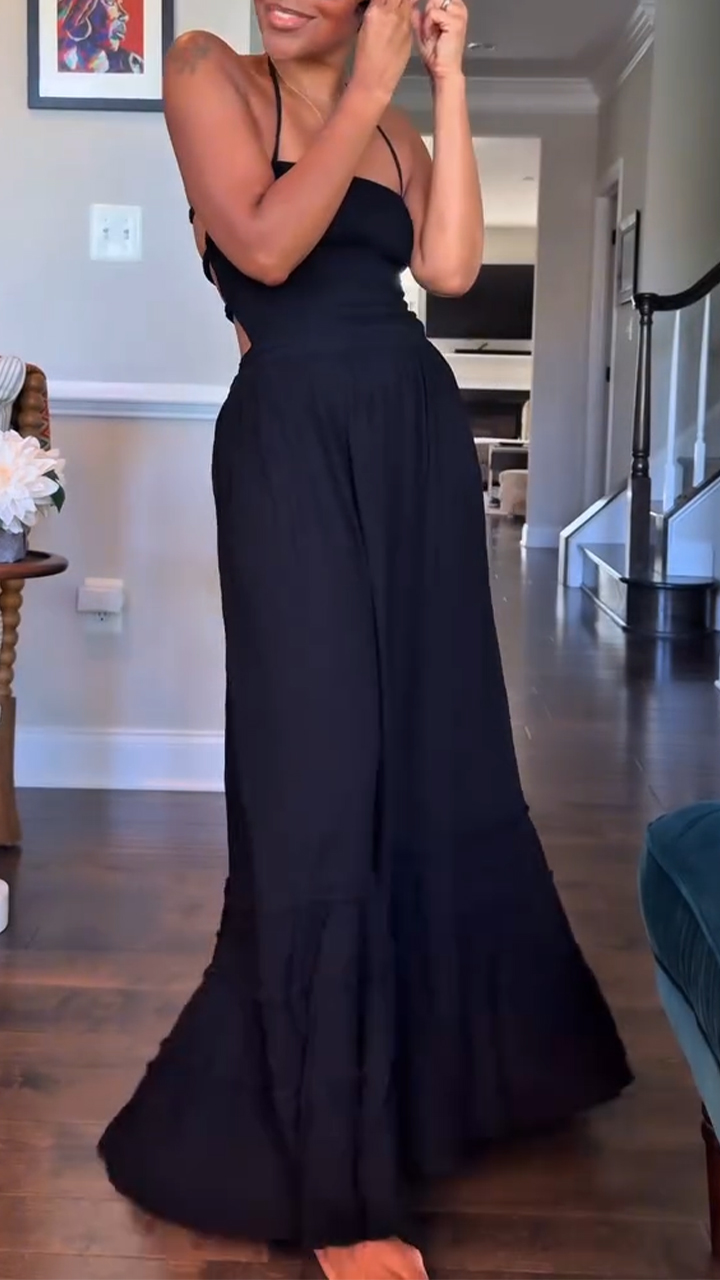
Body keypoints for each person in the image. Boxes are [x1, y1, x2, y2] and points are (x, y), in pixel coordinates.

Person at [98, 2, 632, 1277]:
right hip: (290, 440)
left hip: (409, 438)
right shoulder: (206, 72)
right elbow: (265, 245)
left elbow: (448, 269)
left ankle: (452, 1080)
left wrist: (443, 81)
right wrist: (366, 91)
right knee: (317, 779)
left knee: (439, 755)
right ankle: (337, 1184)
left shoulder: (395, 123)